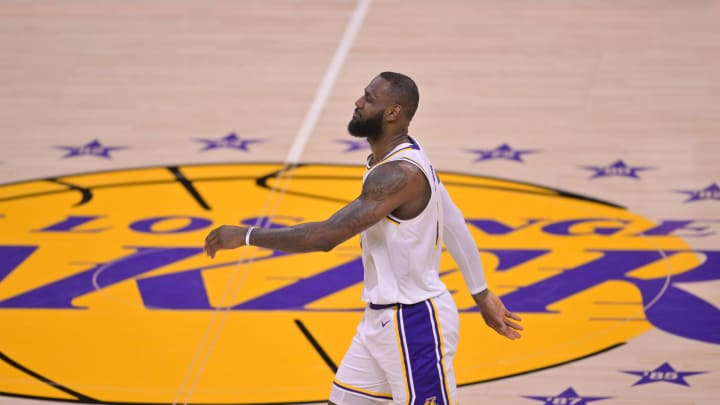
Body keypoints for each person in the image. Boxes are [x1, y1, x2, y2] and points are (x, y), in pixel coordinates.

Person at [204, 71, 523, 405]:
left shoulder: (400, 174)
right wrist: (481, 292)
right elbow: (455, 223)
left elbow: (325, 237)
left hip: (414, 323)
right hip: (382, 320)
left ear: (393, 112)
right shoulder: (404, 158)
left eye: (369, 98)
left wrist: (247, 235)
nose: (358, 103)